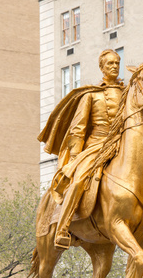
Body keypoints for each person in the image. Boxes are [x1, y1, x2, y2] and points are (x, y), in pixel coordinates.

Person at [39, 49, 125, 249]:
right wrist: (76, 157)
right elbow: (78, 128)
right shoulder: (91, 95)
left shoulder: (127, 93)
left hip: (120, 146)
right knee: (78, 181)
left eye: (116, 63)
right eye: (110, 63)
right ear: (102, 67)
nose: (114, 67)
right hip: (95, 147)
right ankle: (63, 226)